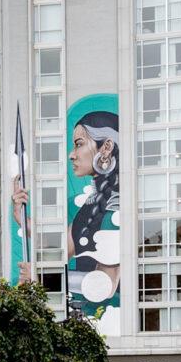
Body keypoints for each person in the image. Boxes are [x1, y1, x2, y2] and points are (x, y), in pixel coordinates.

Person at [67, 110, 122, 311]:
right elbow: (60, 250)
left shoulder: (117, 211)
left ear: (106, 147)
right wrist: (21, 216)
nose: (71, 155)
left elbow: (104, 286)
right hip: (81, 325)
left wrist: (43, 279)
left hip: (105, 326)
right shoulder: (92, 204)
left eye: (79, 144)